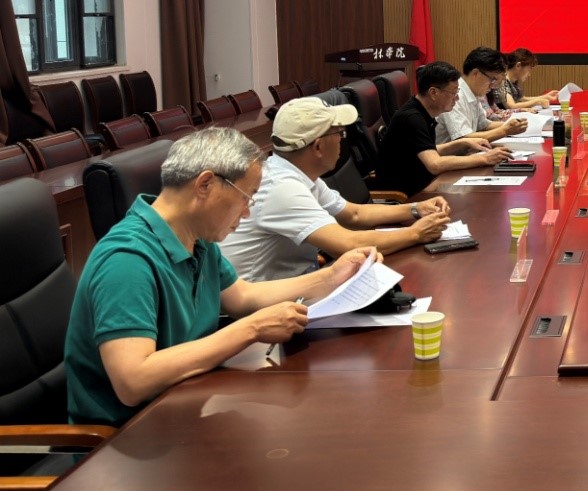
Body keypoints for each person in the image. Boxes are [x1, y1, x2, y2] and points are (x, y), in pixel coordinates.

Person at [64, 128, 381, 427]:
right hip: (130, 436)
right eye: (247, 197)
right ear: (205, 185)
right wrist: (252, 329)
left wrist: (331, 277)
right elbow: (134, 381)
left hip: (187, 404)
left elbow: (242, 297)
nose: (247, 213)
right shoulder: (126, 261)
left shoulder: (197, 238)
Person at [220, 97, 451, 281]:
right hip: (262, 309)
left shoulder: (298, 174)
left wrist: (415, 209)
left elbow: (353, 214)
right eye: (339, 133)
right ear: (318, 146)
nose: (342, 140)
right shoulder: (281, 188)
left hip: (299, 288)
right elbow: (347, 244)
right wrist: (415, 233)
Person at [376, 60, 513, 196]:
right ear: (433, 93)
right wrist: (485, 159)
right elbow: (435, 164)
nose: (457, 99)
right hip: (409, 194)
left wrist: (463, 142)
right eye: (453, 93)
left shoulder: (421, 111)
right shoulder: (412, 118)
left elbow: (428, 150)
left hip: (426, 183)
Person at [435, 46, 529, 145]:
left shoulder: (473, 92)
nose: (493, 86)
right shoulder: (455, 95)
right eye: (493, 79)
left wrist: (513, 125)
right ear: (476, 73)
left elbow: (484, 125)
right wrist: (505, 130)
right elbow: (463, 138)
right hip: (452, 153)